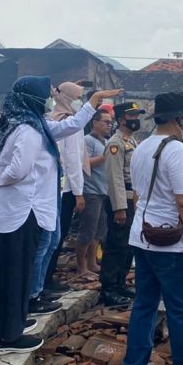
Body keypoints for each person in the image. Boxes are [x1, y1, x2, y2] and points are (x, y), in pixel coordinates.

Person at [0, 76, 118, 355]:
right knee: (16, 273)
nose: (50, 99)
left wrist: (93, 103)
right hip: (24, 210)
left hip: (22, 209)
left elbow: (69, 126)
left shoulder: (32, 124)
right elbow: (18, 171)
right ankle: (7, 337)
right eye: (46, 94)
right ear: (33, 98)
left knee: (14, 272)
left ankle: (5, 326)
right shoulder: (28, 131)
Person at [124, 92, 183, 365]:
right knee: (181, 312)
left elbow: (137, 195)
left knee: (144, 306)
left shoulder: (142, 147)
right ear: (176, 119)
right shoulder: (177, 150)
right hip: (170, 245)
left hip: (142, 237)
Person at [42, 82, 89, 296]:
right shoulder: (66, 122)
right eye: (78, 96)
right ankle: (44, 281)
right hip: (66, 189)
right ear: (68, 98)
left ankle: (45, 279)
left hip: (58, 188)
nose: (81, 101)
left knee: (54, 236)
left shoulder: (56, 119)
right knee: (55, 236)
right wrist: (79, 193)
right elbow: (72, 160)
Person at [101, 102, 146, 306]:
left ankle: (120, 283)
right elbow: (115, 177)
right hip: (121, 200)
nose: (136, 119)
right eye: (132, 116)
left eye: (137, 115)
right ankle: (108, 289)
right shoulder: (115, 143)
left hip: (132, 198)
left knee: (127, 246)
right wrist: (119, 207)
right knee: (116, 246)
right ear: (121, 120)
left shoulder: (132, 141)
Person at [76, 109, 112, 275]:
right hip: (91, 191)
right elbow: (84, 164)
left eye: (110, 122)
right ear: (95, 122)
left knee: (99, 230)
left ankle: (92, 263)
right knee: (87, 231)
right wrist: (105, 156)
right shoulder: (87, 140)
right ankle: (81, 267)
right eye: (105, 122)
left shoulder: (105, 142)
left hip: (103, 191)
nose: (109, 125)